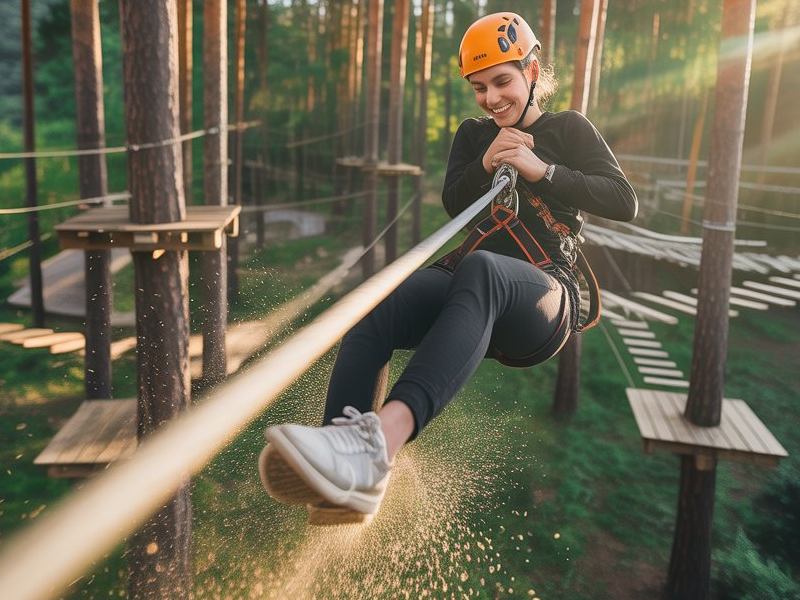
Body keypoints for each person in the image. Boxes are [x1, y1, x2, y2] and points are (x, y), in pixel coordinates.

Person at [258, 11, 637, 520]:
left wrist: (541, 170)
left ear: (531, 71)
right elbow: (456, 204)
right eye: (479, 87)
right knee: (376, 305)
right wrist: (487, 164)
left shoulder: (568, 129)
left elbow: (622, 199)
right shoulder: (473, 134)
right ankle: (343, 465)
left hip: (544, 297)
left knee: (482, 268)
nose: (492, 98)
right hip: (470, 286)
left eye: (502, 81)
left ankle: (377, 449)